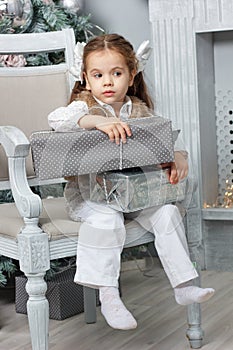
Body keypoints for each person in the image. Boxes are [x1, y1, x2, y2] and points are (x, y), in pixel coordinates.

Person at [48, 33, 214, 330]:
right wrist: (96, 121)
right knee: (107, 220)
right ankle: (109, 296)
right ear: (86, 78)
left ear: (132, 75)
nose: (108, 82)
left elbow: (165, 138)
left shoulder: (138, 110)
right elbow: (57, 119)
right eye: (98, 75)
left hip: (133, 195)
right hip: (91, 198)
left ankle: (184, 284)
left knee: (167, 213)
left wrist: (178, 156)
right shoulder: (82, 107)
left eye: (116, 73)